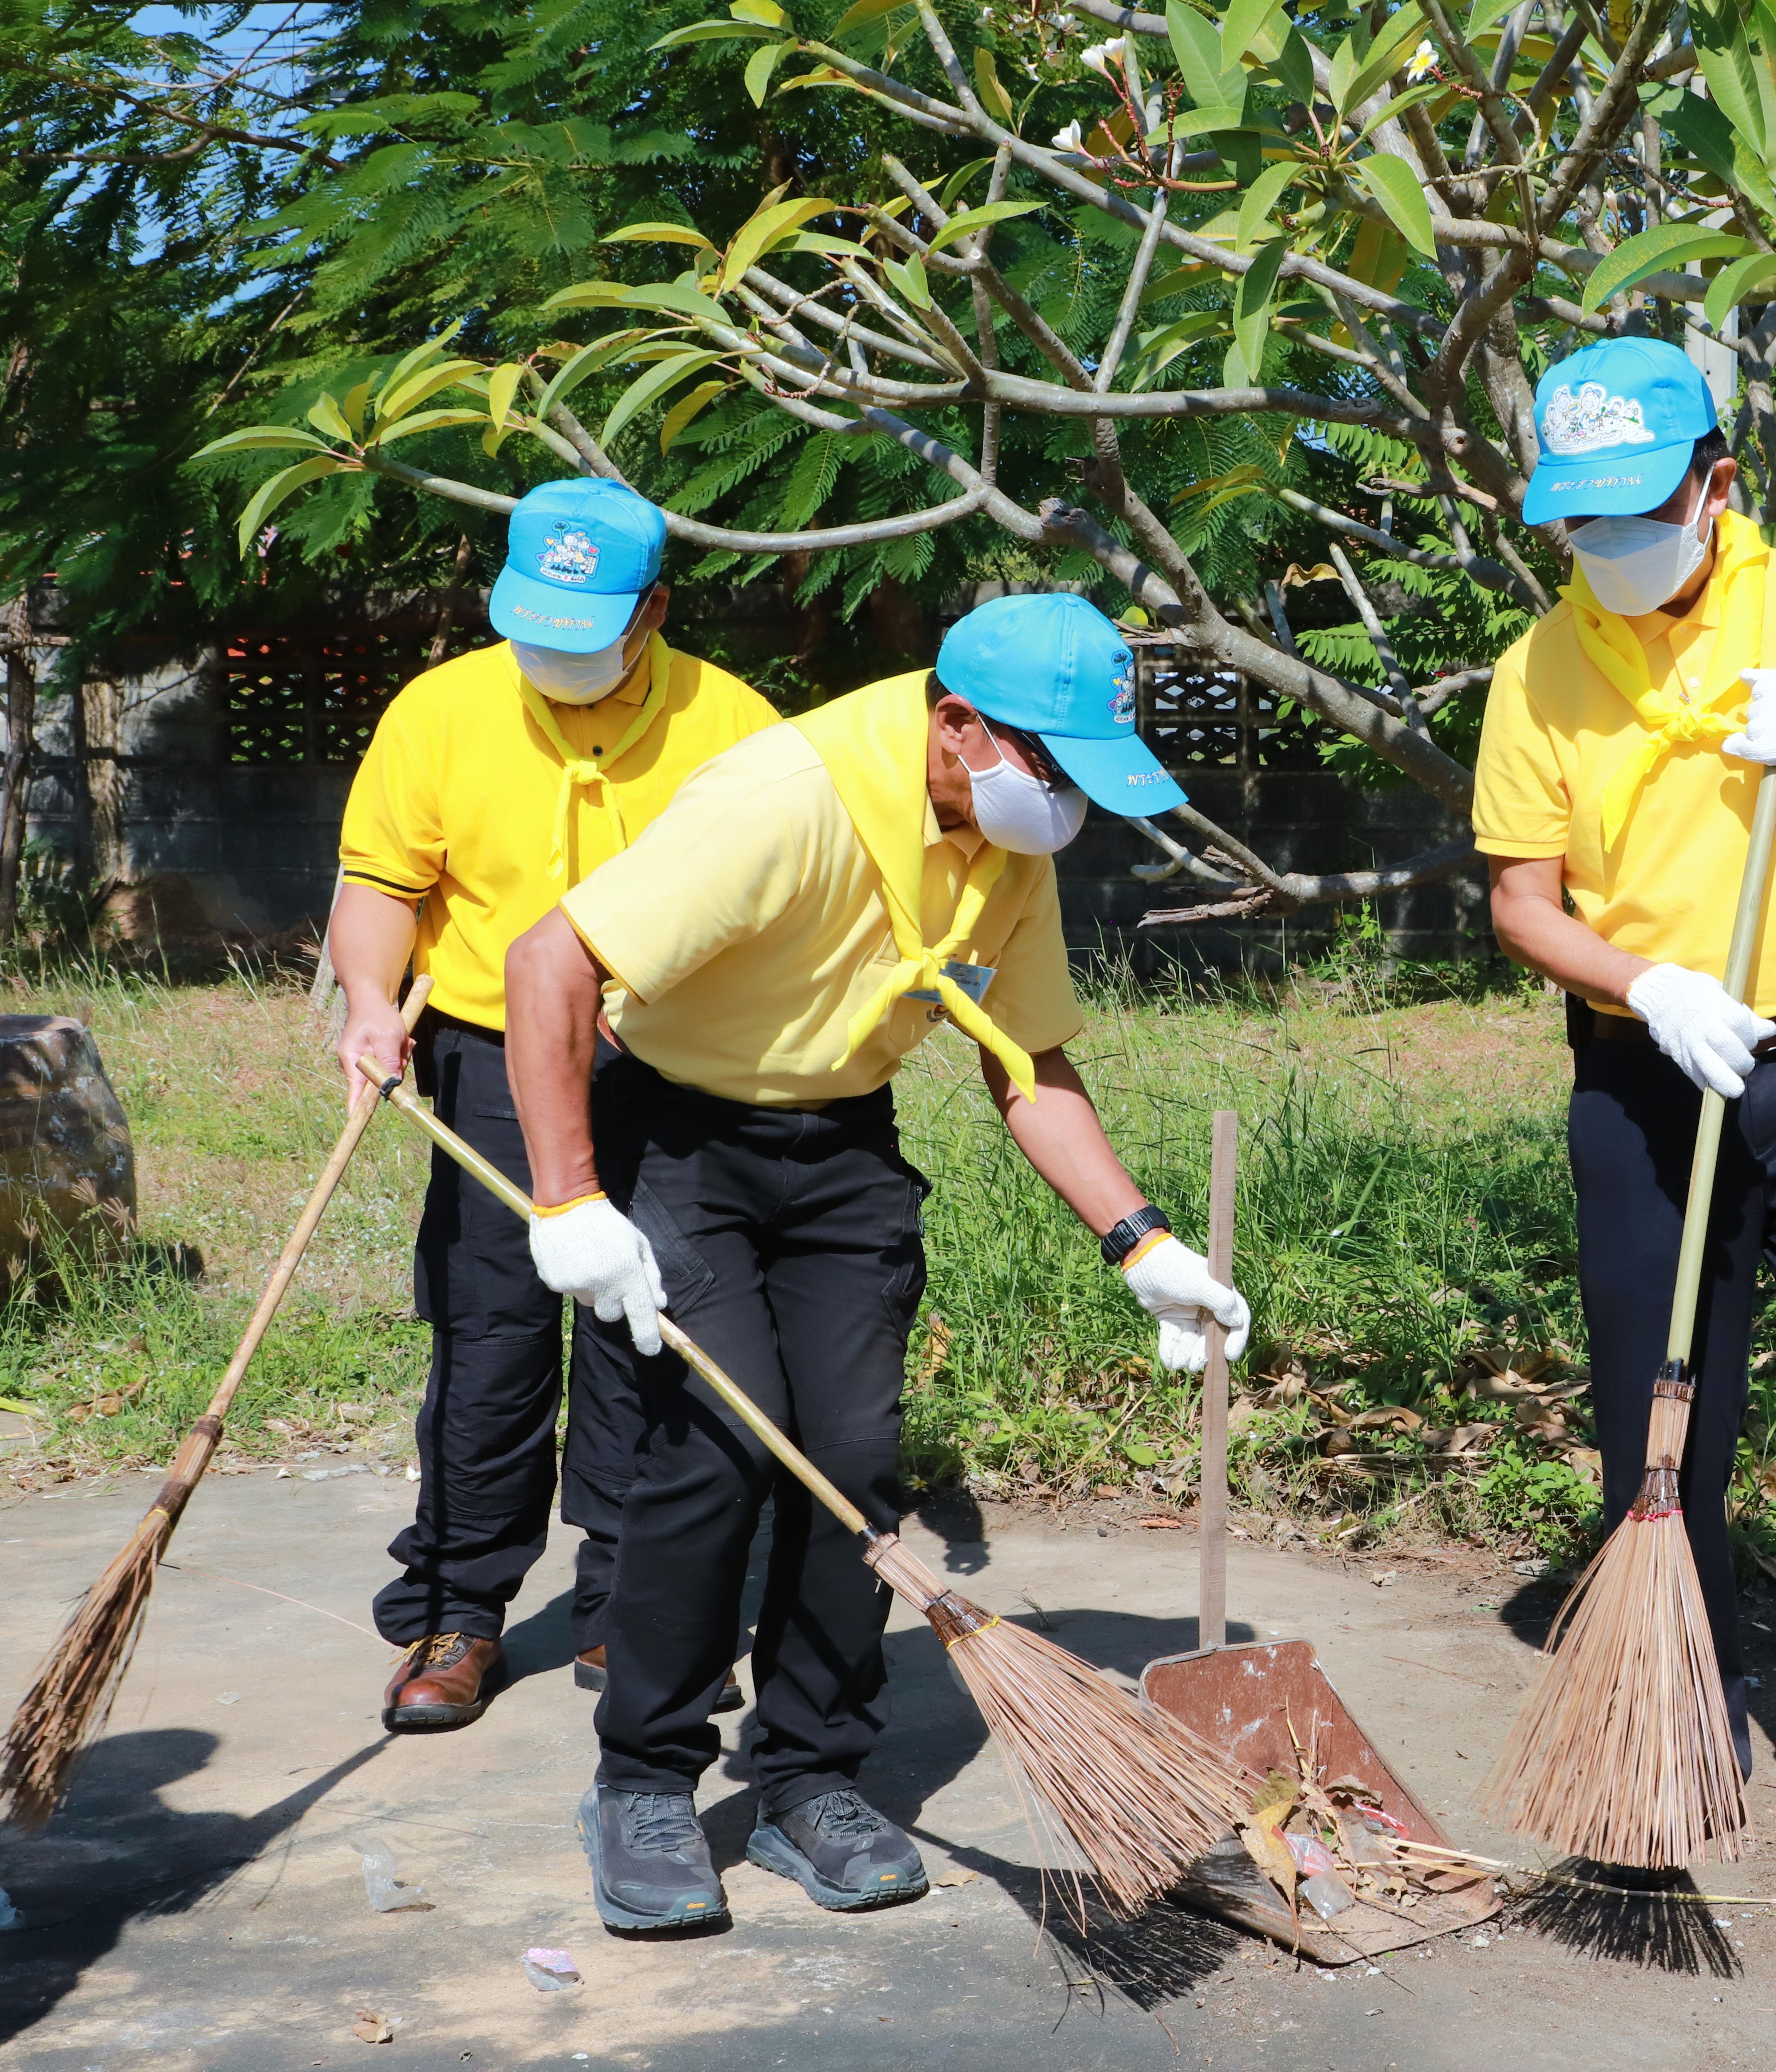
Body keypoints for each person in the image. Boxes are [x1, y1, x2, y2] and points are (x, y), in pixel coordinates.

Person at [495, 590, 1249, 1929]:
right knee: (719, 1453)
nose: (1066, 803)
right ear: (959, 726)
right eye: (1052, 767)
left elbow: (1030, 1063)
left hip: (842, 1145)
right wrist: (568, 1201)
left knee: (848, 1463)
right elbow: (550, 962)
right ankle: (645, 1782)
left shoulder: (1009, 837)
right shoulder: (787, 798)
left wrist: (1143, 1243)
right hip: (679, 1134)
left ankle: (807, 1777)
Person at [1471, 336, 1776, 1825]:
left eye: (1639, 508)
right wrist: (1649, 989)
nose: (1611, 545)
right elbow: (1521, 901)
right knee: (1660, 1415)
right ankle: (1680, 1718)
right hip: (1647, 1078)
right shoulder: (1537, 668)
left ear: (1716, 483)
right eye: (1584, 520)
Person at [335, 477, 777, 1734]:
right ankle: (458, 1610)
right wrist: (372, 1000)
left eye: (581, 635)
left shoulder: (734, 723)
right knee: (492, 1338)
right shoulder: (442, 709)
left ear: (653, 613)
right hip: (483, 1054)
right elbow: (380, 880)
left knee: (650, 1327)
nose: (549, 659)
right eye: (532, 627)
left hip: (668, 1056)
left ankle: (627, 1604)